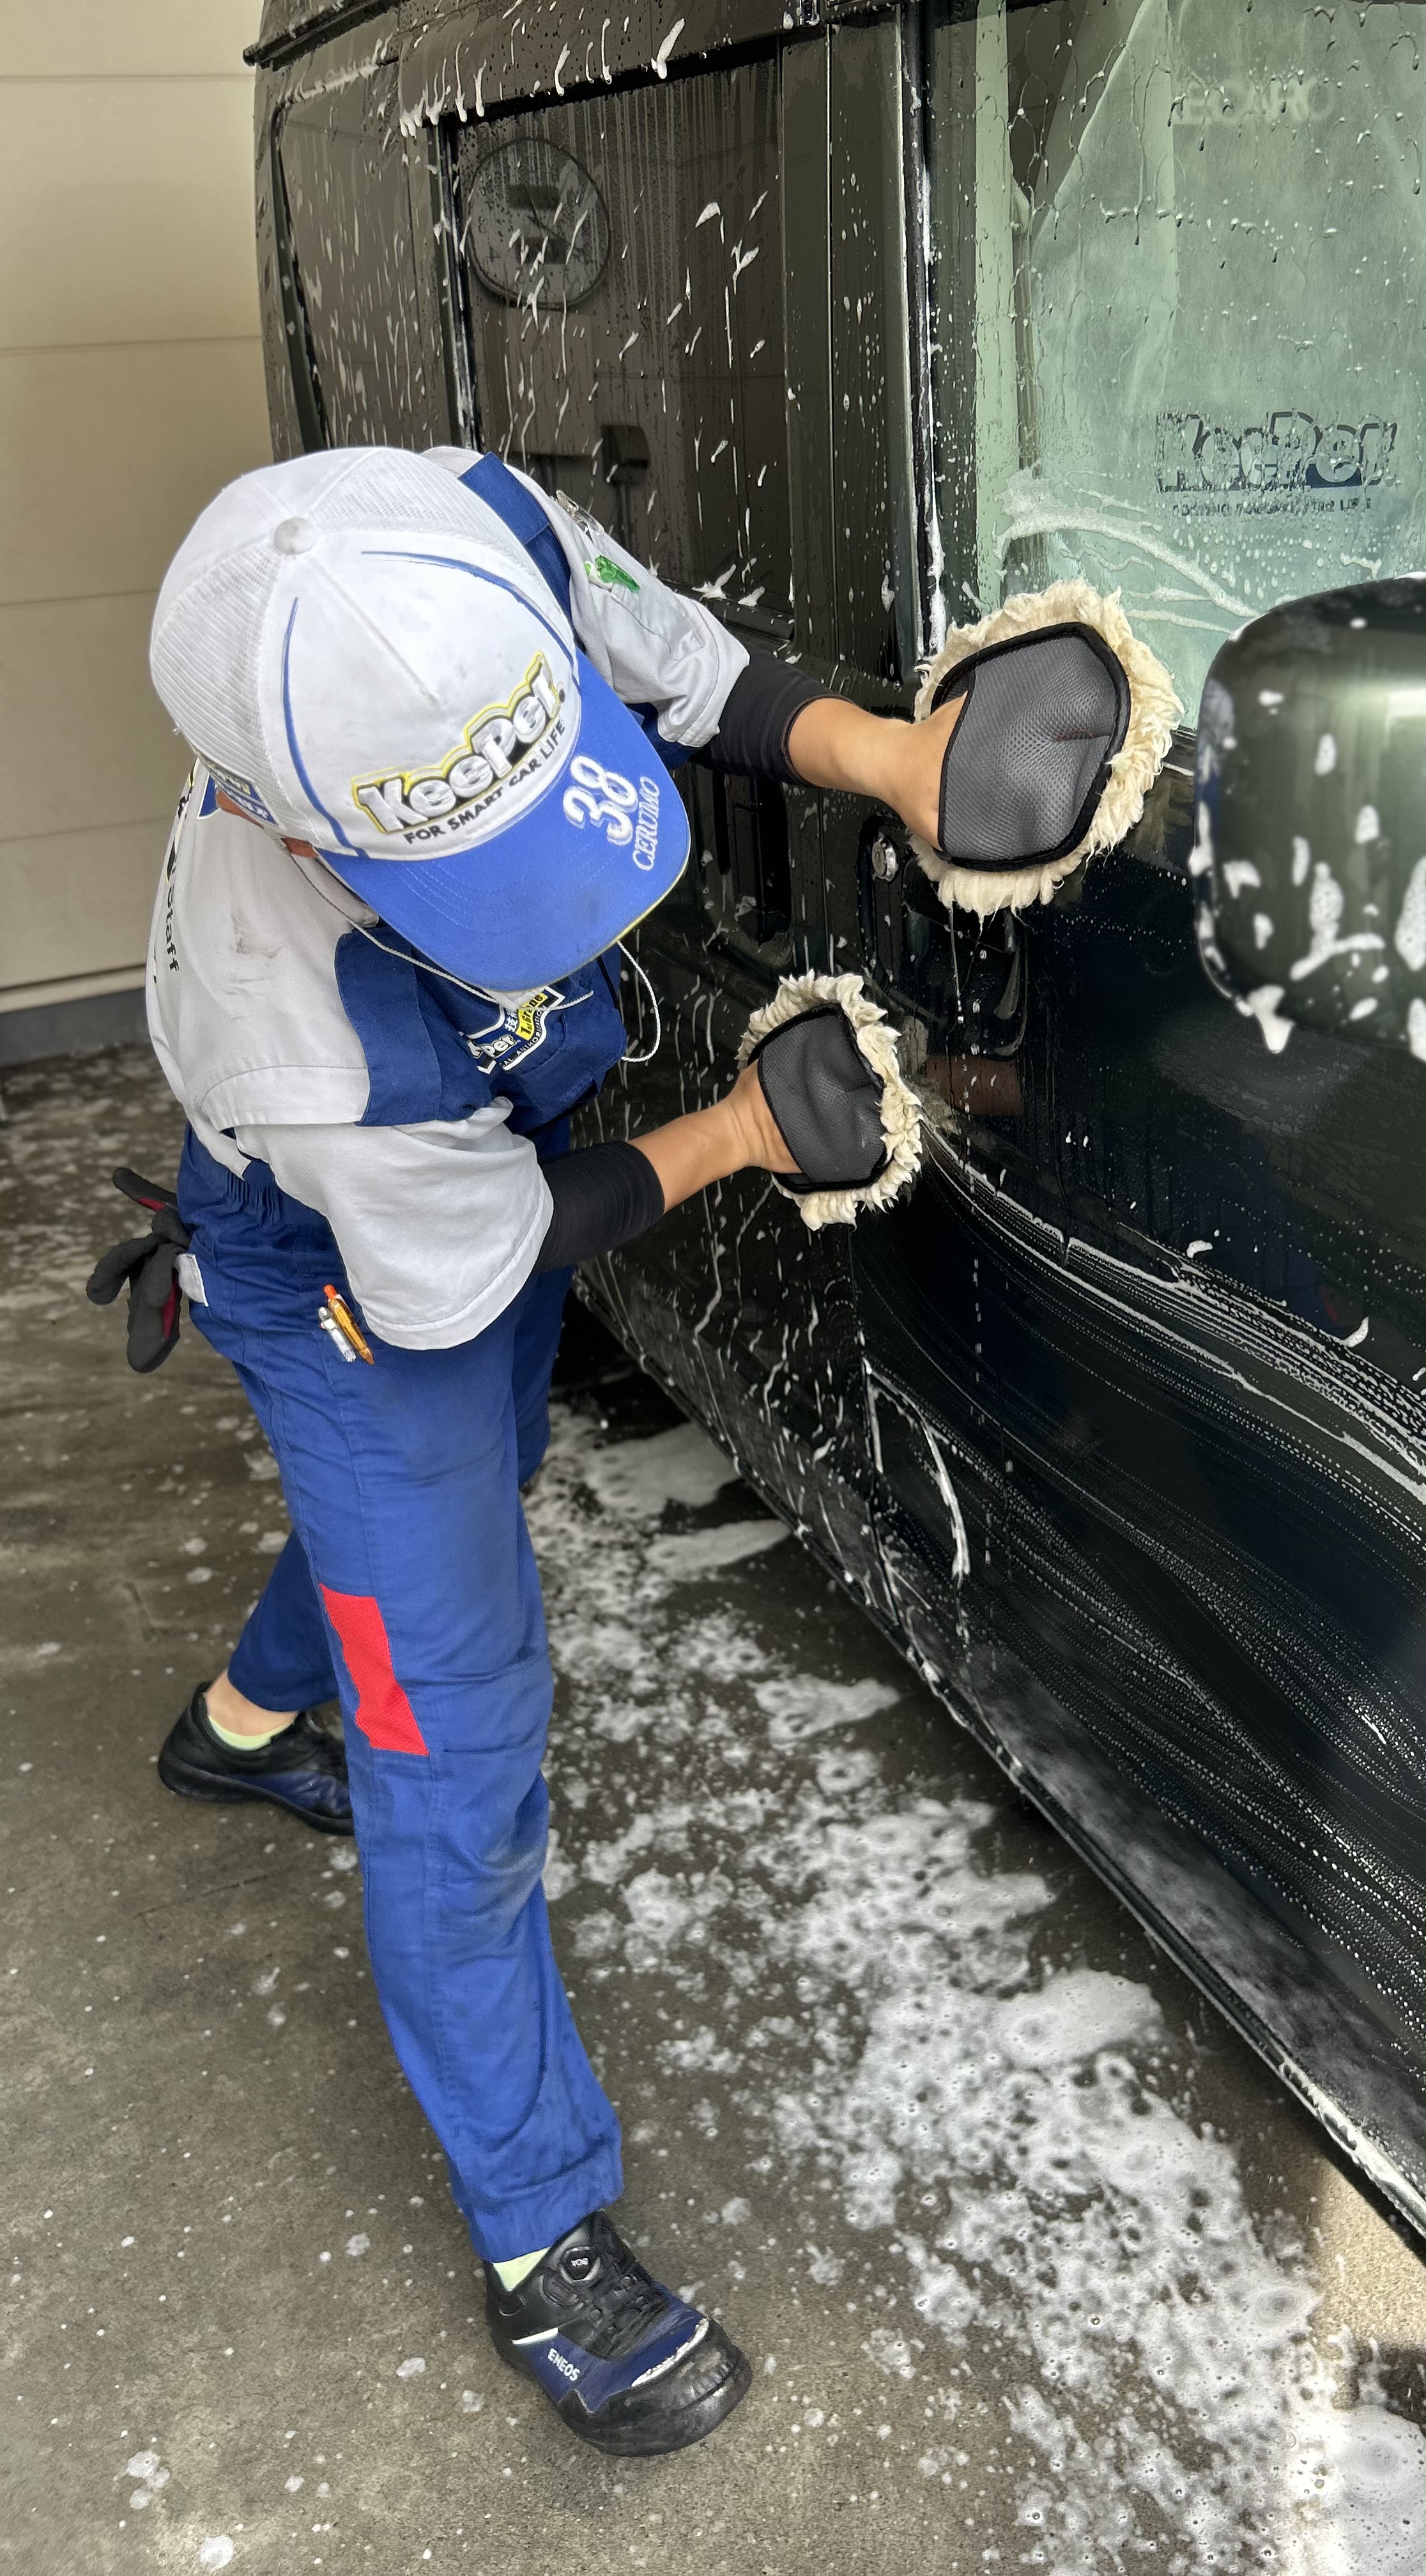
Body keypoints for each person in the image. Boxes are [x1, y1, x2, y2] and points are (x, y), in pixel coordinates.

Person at [89, 441, 965, 2458]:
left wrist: (893, 764)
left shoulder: (455, 536)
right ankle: (538, 2235)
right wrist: (741, 1135)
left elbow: (675, 669)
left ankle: (230, 1732)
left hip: (450, 1189)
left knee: (447, 1512)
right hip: (339, 1267)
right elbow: (470, 1272)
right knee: (457, 1729)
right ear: (298, 834)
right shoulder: (290, 1017)